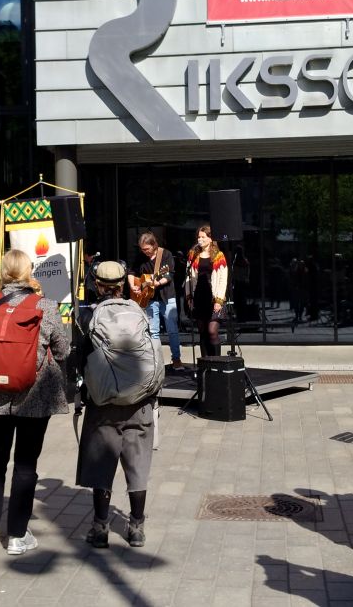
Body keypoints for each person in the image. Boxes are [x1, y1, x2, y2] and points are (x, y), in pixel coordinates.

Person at [0, 250, 70, 555]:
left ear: (2, 272)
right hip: (34, 396)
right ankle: (16, 535)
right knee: (26, 463)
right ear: (29, 272)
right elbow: (64, 350)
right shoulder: (45, 306)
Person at [78, 260, 159, 548]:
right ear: (123, 284)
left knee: (102, 462)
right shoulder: (139, 312)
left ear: (98, 285)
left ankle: (100, 528)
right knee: (138, 463)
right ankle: (136, 527)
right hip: (140, 399)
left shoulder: (87, 316)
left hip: (103, 403)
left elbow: (80, 359)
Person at [128, 232, 183, 370]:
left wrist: (157, 283)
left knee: (172, 329)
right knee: (153, 331)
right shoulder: (140, 257)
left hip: (166, 296)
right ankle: (156, 360)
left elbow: (169, 274)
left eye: (146, 249)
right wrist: (133, 285)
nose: (144, 252)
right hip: (149, 298)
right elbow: (131, 272)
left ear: (154, 245)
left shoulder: (165, 255)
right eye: (142, 249)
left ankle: (176, 359)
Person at [185, 225, 228, 357]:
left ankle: (216, 364)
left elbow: (222, 279)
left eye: (203, 237)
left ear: (210, 238)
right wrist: (189, 297)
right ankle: (205, 365)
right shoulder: (193, 255)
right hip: (199, 297)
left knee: (212, 331)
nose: (200, 239)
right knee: (203, 333)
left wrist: (219, 300)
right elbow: (188, 278)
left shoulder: (219, 256)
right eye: (198, 237)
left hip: (214, 298)